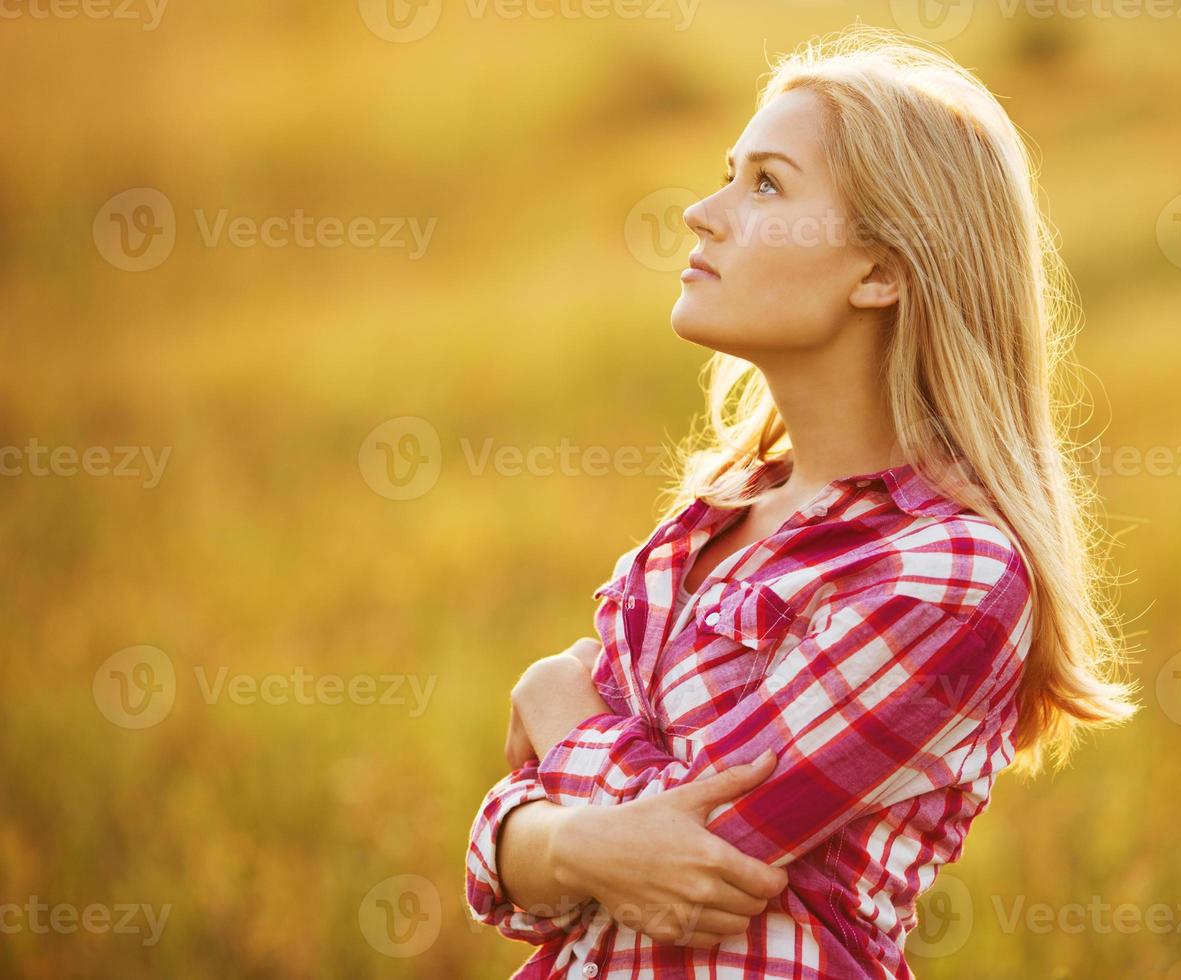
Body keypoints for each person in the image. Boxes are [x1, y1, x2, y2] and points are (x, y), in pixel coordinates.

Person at [467, 23, 1140, 979]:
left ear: (882, 271)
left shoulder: (949, 572)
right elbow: (517, 876)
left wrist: (557, 717)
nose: (702, 212)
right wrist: (563, 843)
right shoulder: (707, 523)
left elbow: (707, 855)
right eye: (727, 173)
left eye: (767, 184)